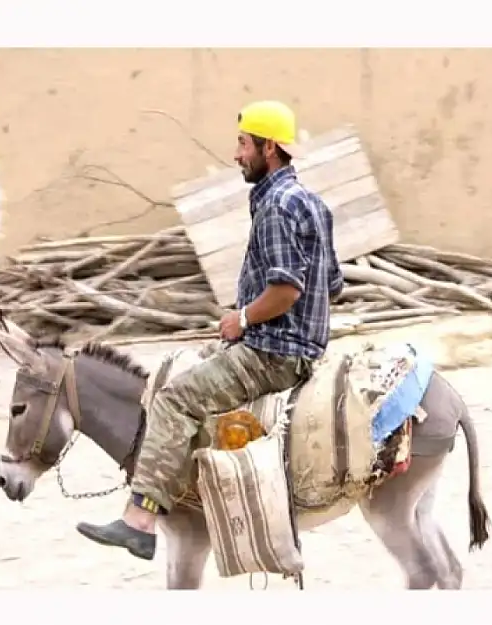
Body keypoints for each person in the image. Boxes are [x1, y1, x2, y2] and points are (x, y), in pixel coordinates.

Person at [76, 100, 345, 561]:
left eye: (244, 144)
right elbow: (332, 284)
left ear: (270, 148)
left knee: (174, 398)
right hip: (296, 347)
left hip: (272, 355)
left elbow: (287, 290)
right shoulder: (312, 203)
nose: (237, 154)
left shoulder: (277, 207)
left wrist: (242, 319)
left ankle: (140, 521)